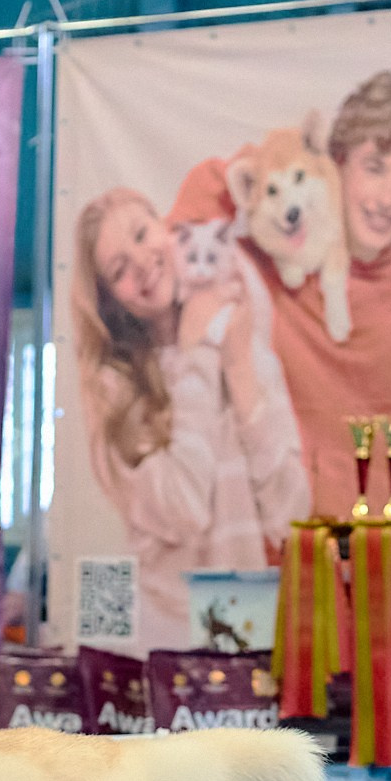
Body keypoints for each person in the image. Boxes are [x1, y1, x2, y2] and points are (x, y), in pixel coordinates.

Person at [168, 71, 391, 517]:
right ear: (335, 165)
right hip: (303, 573)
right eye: (374, 168)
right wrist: (271, 165)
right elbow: (181, 238)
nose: (387, 197)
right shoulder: (274, 279)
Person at [71, 187, 308, 647]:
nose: (141, 262)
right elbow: (185, 510)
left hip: (246, 632)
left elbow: (291, 517)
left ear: (168, 232)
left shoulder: (245, 351)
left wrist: (239, 371)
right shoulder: (115, 387)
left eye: (143, 234)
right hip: (160, 639)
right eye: (119, 269)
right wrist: (196, 354)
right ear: (110, 303)